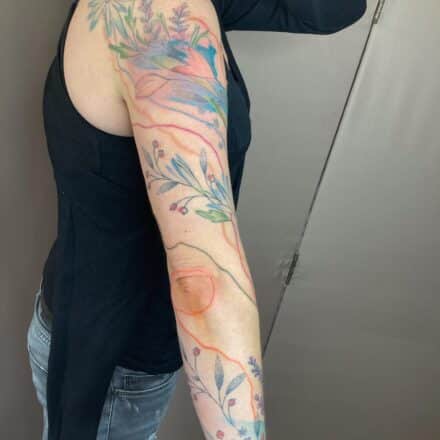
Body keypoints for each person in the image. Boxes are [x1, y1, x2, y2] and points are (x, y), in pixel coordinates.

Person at [26, 0, 367, 439]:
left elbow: (331, 11)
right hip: (115, 366)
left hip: (104, 328)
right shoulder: (160, 20)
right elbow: (204, 279)